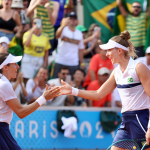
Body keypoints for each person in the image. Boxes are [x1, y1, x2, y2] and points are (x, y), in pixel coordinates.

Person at [59, 31, 150, 149]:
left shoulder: (139, 68)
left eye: (109, 50)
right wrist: (73, 90)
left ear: (119, 50)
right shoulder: (116, 72)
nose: (107, 54)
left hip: (142, 119)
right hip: (126, 121)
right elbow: (98, 94)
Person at [0, 53, 60, 150]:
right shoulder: (4, 85)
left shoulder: (3, 82)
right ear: (5, 67)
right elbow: (21, 112)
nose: (18, 67)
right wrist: (44, 98)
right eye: (15, 64)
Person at [53, 12, 84, 78]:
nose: (72, 20)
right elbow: (57, 36)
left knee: (70, 84)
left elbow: (80, 49)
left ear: (77, 21)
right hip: (61, 61)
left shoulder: (79, 33)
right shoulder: (63, 29)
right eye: (70, 18)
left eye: (74, 18)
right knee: (56, 83)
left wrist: (81, 63)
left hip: (73, 63)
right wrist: (63, 25)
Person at [21, 17, 50, 84]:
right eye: (35, 23)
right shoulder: (27, 34)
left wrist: (45, 63)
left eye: (39, 23)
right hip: (29, 59)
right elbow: (26, 44)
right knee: (27, 81)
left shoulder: (45, 36)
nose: (37, 25)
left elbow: (46, 50)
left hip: (40, 60)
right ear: (32, 24)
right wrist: (31, 31)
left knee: (38, 80)